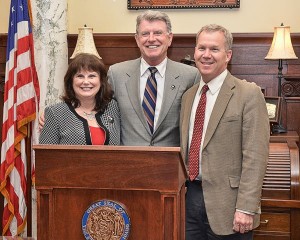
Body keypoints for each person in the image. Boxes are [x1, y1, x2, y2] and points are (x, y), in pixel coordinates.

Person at [180, 24, 270, 239]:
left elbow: (255, 156)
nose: (206, 55)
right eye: (201, 48)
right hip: (188, 201)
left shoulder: (249, 94)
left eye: (214, 49)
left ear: (228, 55)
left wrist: (247, 208)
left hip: (230, 207)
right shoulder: (189, 96)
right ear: (195, 52)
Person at [107, 10, 200, 146]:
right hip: (128, 162)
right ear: (137, 39)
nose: (151, 39)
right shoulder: (117, 74)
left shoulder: (190, 76)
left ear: (170, 38)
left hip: (171, 162)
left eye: (158, 33)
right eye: (145, 33)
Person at [39, 53, 120, 145]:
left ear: (101, 81)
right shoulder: (55, 113)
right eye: (80, 76)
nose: (86, 82)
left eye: (91, 76)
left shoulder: (113, 107)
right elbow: (45, 156)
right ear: (71, 81)